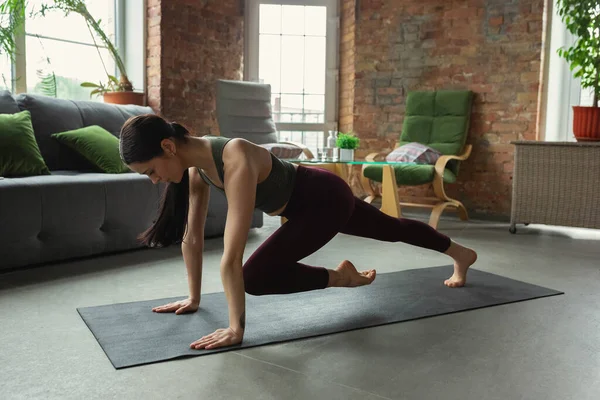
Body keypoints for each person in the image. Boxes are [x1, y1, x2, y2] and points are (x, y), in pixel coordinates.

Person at [119, 114, 478, 351]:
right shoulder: (198, 171)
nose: (155, 180)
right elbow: (192, 238)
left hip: (323, 197)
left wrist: (235, 329)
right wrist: (193, 298)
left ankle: (340, 278)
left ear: (168, 147)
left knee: (253, 276)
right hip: (307, 206)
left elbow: (232, 253)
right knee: (392, 227)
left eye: (150, 171)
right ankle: (460, 254)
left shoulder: (235, 158)